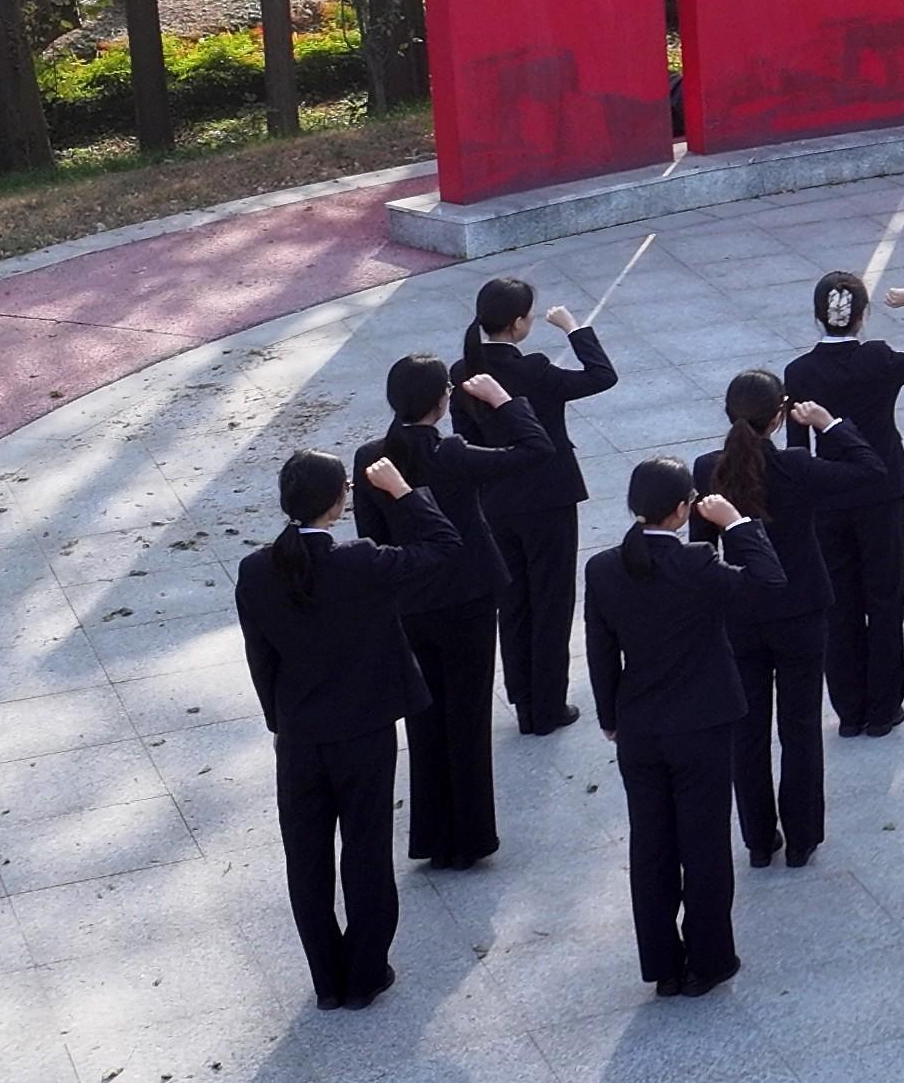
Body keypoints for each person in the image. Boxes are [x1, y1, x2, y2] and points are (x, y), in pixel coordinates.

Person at [232, 450, 477, 1009]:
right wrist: (403, 493)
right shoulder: (360, 561)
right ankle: (365, 973)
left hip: (299, 736)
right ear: (337, 501)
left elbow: (260, 658)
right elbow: (445, 546)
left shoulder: (256, 570)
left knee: (306, 859)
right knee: (366, 850)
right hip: (363, 732)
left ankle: (327, 980)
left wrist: (280, 721)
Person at [582, 458, 772, 996]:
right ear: (683, 509)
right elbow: (768, 581)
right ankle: (709, 960)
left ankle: (663, 964)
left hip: (639, 726)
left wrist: (609, 715)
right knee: (704, 845)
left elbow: (600, 649)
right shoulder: (696, 564)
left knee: (651, 847)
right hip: (702, 723)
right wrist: (737, 525)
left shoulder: (603, 568)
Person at [355, 355, 544, 869]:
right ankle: (471, 837)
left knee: (425, 722)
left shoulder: (372, 458)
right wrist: (504, 402)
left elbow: (371, 536)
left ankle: (433, 837)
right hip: (467, 596)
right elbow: (535, 450)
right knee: (468, 717)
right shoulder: (452, 453)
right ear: (441, 400)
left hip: (410, 600)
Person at [692, 372, 862, 865]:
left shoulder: (707, 469)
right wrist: (829, 424)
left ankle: (759, 842)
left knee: (746, 733)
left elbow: (703, 550)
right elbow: (869, 469)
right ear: (779, 416)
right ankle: (802, 839)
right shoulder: (796, 466)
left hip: (740, 614)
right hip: (800, 610)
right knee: (800, 727)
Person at [786, 273, 904, 736]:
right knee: (884, 601)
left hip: (828, 497)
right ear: (862, 316)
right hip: (881, 491)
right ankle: (884, 709)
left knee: (839, 605)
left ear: (817, 316)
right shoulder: (878, 359)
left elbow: (797, 449)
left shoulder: (799, 372)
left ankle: (850, 711)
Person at [450, 278, 619, 735]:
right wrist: (573, 328)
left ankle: (524, 700)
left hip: (495, 501)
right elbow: (602, 376)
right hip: (548, 500)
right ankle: (548, 706)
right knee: (551, 603)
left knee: (514, 604)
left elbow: (466, 438)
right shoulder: (536, 370)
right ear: (517, 323)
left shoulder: (462, 371)